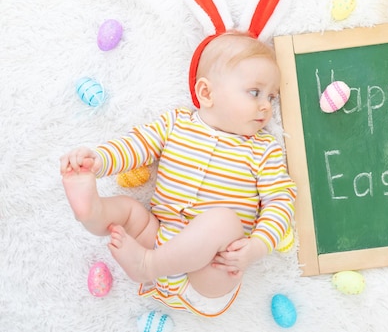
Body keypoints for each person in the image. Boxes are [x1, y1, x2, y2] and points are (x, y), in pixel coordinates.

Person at [59, 32, 297, 317]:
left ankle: (148, 266)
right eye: (255, 92)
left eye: (272, 96)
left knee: (223, 221)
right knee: (128, 210)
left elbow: (280, 200)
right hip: (158, 234)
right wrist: (99, 160)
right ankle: (91, 211)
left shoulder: (264, 149)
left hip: (213, 268)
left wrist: (258, 246)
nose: (266, 106)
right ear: (206, 93)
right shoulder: (176, 124)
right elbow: (138, 145)